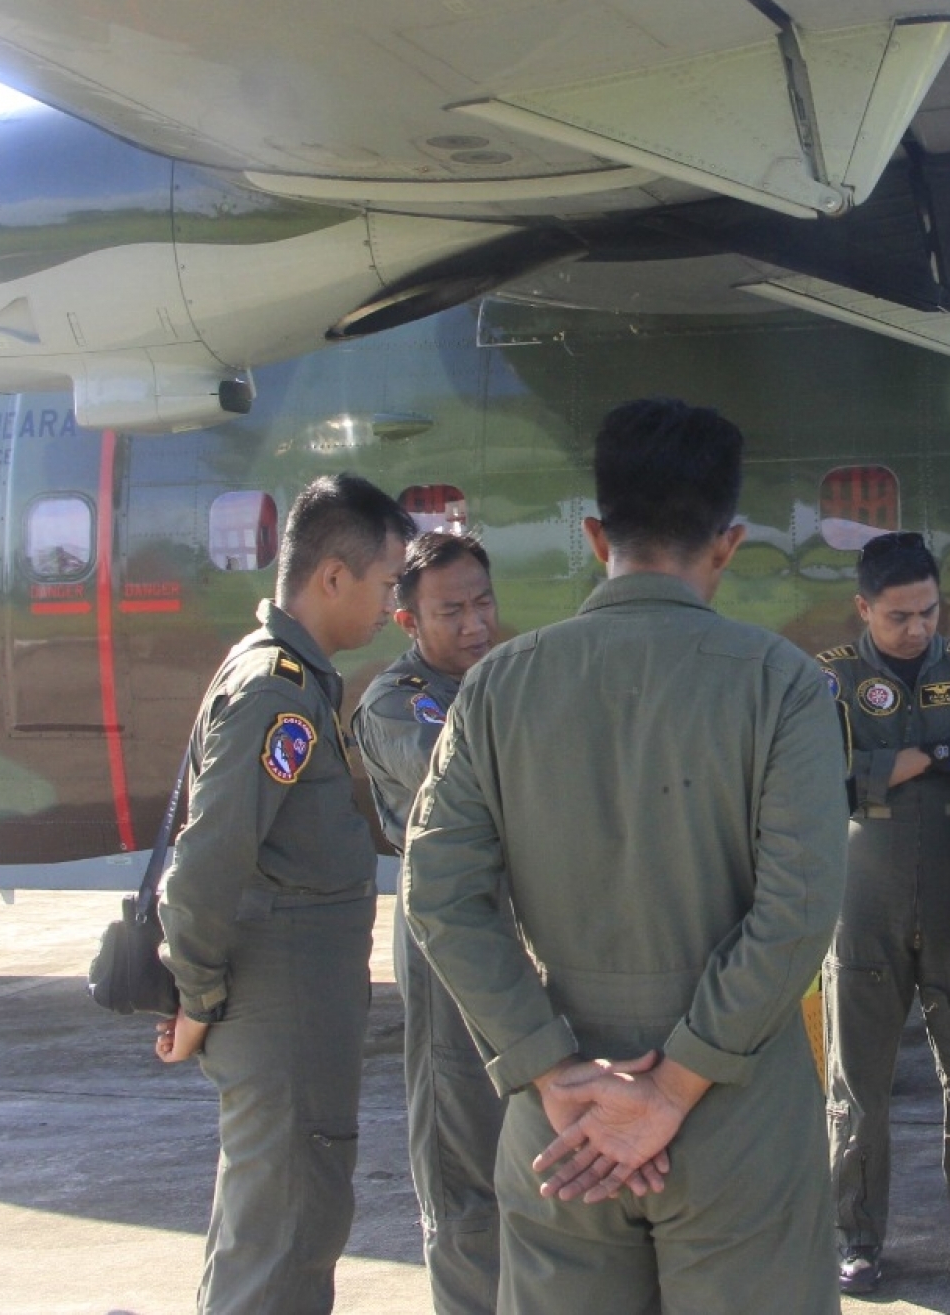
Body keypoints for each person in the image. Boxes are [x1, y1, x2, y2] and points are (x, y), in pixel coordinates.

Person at [405, 397, 848, 1315]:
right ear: (727, 543)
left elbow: (438, 893)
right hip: (738, 1120)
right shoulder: (784, 685)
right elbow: (799, 908)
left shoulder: (495, 687)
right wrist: (675, 1085)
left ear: (596, 535)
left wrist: (549, 1069)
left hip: (563, 1127)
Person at [152, 472, 412, 1315]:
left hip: (294, 1010)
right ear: (333, 576)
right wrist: (196, 996)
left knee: (274, 1225)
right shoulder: (278, 692)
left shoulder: (285, 676)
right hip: (283, 1012)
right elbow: (205, 864)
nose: (392, 606)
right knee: (284, 1235)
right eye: (386, 583)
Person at [818, 531, 950, 1294]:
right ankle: (856, 1237)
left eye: (928, 611)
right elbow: (807, 780)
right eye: (898, 615)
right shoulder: (831, 681)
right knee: (857, 1084)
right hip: (865, 902)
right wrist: (919, 759)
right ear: (864, 608)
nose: (917, 628)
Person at [349, 529, 505, 1315]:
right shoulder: (397, 702)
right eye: (452, 611)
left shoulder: (502, 680)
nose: (476, 623)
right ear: (409, 621)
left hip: (517, 933)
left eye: (483, 602)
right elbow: (476, 787)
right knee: (462, 1159)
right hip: (449, 942)